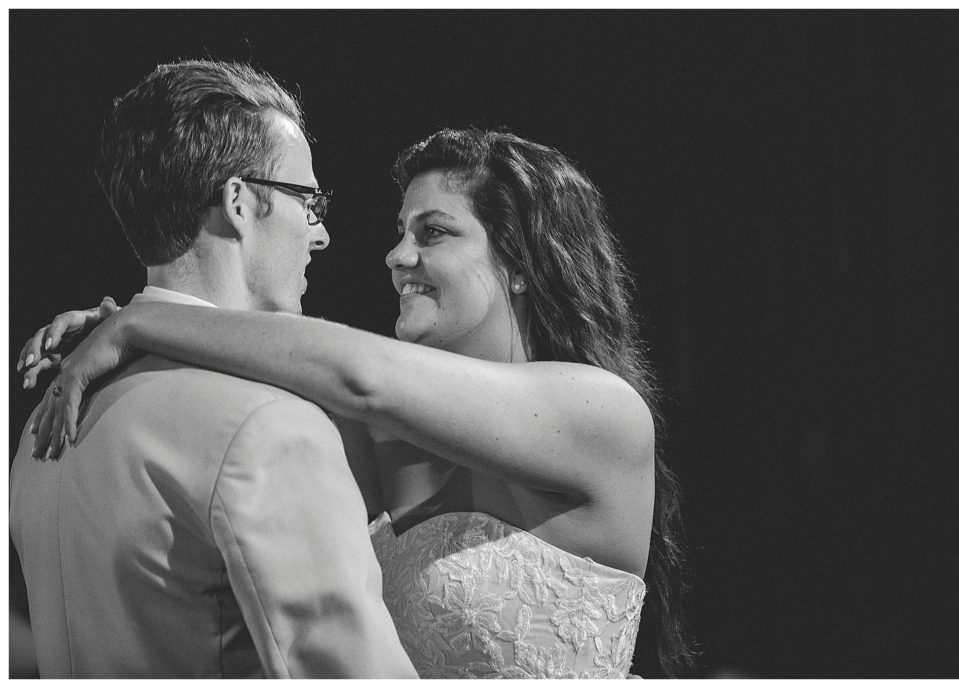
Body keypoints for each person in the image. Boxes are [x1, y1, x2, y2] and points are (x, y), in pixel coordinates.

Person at [22, 128, 693, 677]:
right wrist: (128, 331)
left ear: (519, 263)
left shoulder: (604, 413)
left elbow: (359, 374)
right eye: (401, 231)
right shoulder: (381, 435)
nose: (396, 255)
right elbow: (248, 384)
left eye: (433, 233)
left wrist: (147, 321)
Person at [9, 59, 417, 679]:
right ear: (238, 202)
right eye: (307, 200)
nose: (321, 235)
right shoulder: (268, 426)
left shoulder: (45, 428)